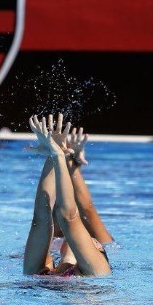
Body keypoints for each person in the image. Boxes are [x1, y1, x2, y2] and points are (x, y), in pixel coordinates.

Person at [23, 114, 111, 277]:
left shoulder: (99, 271)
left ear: (100, 249)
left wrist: (57, 156)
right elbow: (44, 217)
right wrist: (53, 153)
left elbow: (63, 218)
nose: (83, 233)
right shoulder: (43, 269)